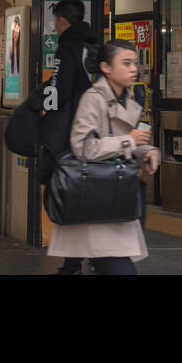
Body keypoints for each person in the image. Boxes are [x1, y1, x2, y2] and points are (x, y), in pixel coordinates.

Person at [45, 40, 158, 274]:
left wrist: (147, 151)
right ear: (106, 67)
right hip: (98, 197)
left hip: (113, 198)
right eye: (126, 63)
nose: (133, 69)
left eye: (134, 63)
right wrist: (130, 140)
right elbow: (83, 147)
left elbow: (123, 140)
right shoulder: (93, 98)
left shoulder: (126, 98)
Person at [39, 0, 99, 275]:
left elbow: (59, 93)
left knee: (66, 199)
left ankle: (79, 263)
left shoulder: (67, 49)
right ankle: (77, 262)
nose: (55, 27)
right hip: (97, 135)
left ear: (62, 21)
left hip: (74, 136)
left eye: (55, 22)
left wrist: (40, 104)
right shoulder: (96, 48)